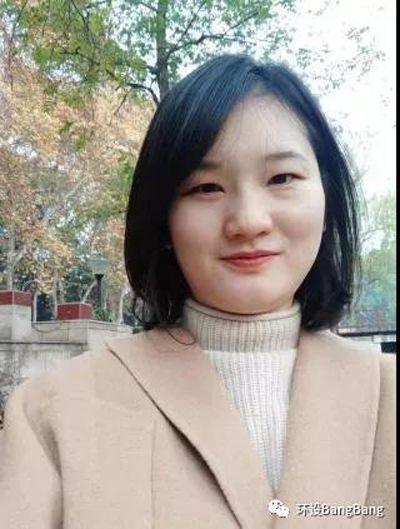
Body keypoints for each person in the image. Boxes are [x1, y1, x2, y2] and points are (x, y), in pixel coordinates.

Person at [0, 54, 395, 528]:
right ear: (163, 218)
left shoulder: (388, 398)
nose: (248, 221)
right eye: (206, 187)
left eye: (281, 178)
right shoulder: (53, 415)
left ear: (327, 197)